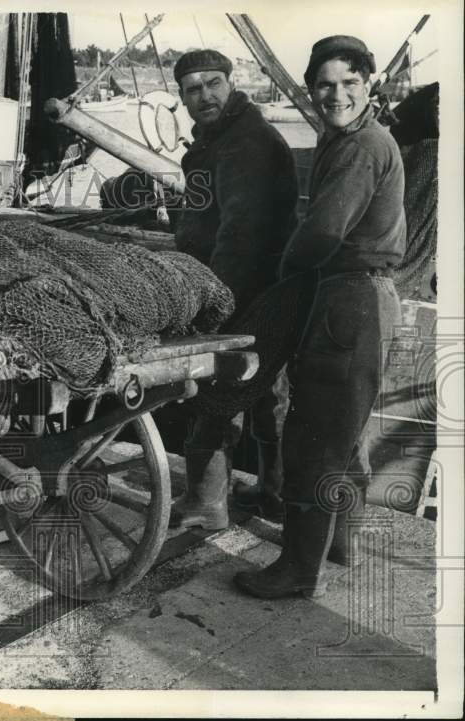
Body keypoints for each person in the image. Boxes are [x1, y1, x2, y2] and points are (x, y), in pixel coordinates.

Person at [235, 36, 405, 598]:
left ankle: (296, 571)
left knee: (312, 437)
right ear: (311, 90)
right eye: (325, 85)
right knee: (344, 433)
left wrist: (281, 275)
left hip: (348, 300)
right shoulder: (351, 139)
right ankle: (338, 544)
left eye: (348, 84)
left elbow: (324, 233)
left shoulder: (360, 147)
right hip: (364, 298)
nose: (336, 95)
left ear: (368, 85)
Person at [167, 49, 299, 530]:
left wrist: (216, 308)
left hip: (247, 289)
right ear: (182, 97)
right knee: (265, 395)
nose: (205, 95)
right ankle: (273, 493)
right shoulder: (225, 138)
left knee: (216, 391)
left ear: (232, 83)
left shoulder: (244, 143)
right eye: (193, 88)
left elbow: (240, 236)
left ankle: (206, 503)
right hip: (266, 288)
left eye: (213, 83)